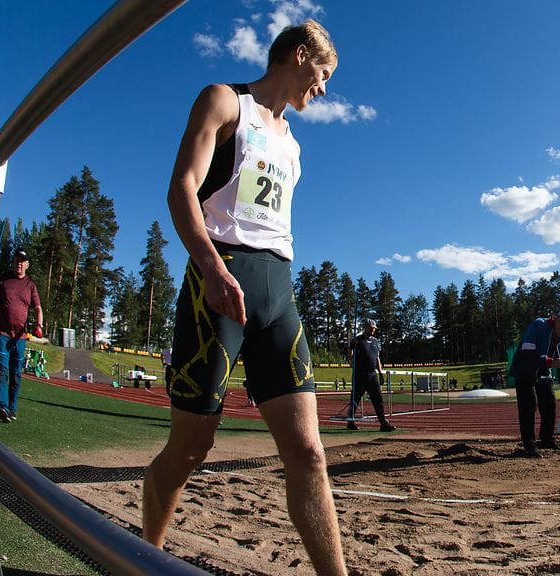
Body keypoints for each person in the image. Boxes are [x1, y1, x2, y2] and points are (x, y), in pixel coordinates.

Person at [140, 20, 347, 575]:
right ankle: (143, 560)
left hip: (278, 295)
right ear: (300, 55)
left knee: (308, 453)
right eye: (323, 74)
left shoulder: (295, 146)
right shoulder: (224, 102)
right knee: (189, 449)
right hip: (219, 288)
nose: (323, 89)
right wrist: (209, 266)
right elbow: (182, 186)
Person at [508, 308, 560, 458]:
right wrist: (549, 361)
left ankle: (547, 439)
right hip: (525, 369)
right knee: (529, 405)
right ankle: (529, 444)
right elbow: (527, 353)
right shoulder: (539, 325)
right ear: (559, 321)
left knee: (549, 404)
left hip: (544, 370)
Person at [0, 249, 43, 423]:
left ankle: (12, 408)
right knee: (2, 371)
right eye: (16, 261)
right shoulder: (3, 280)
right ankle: (2, 407)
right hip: (2, 333)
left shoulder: (30, 285)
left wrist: (39, 325)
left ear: (27, 265)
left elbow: (37, 308)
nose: (19, 264)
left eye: (22, 261)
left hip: (19, 337)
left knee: (16, 373)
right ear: (13, 263)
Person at [346, 318, 396, 432]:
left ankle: (383, 423)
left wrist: (381, 372)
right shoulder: (357, 340)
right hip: (360, 375)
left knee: (378, 399)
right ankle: (350, 421)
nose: (374, 330)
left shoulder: (375, 341)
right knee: (355, 398)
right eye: (372, 328)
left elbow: (377, 358)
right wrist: (350, 348)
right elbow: (349, 358)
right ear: (366, 327)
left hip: (372, 375)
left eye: (375, 329)